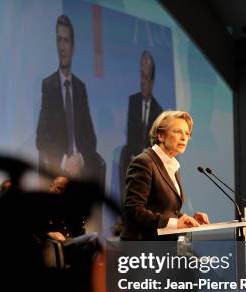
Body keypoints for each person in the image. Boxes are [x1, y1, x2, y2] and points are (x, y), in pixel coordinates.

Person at [121, 110, 209, 292]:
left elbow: (165, 210)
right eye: (178, 132)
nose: (184, 137)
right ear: (160, 134)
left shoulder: (172, 166)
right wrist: (174, 223)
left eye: (187, 133)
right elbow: (133, 210)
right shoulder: (144, 162)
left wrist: (186, 218)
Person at [36, 15, 103, 184]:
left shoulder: (80, 88)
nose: (62, 47)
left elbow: (91, 137)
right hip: (59, 165)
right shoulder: (48, 85)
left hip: (80, 167)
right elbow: (41, 137)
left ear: (72, 47)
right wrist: (65, 161)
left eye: (66, 41)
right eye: (59, 40)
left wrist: (79, 159)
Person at [119, 50, 164, 204]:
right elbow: (131, 133)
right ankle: (125, 209)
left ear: (152, 81)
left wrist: (144, 156)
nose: (142, 82)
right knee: (124, 154)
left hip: (150, 158)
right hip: (134, 154)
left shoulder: (159, 111)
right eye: (141, 76)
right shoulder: (134, 101)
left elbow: (157, 144)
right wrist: (136, 154)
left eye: (145, 77)